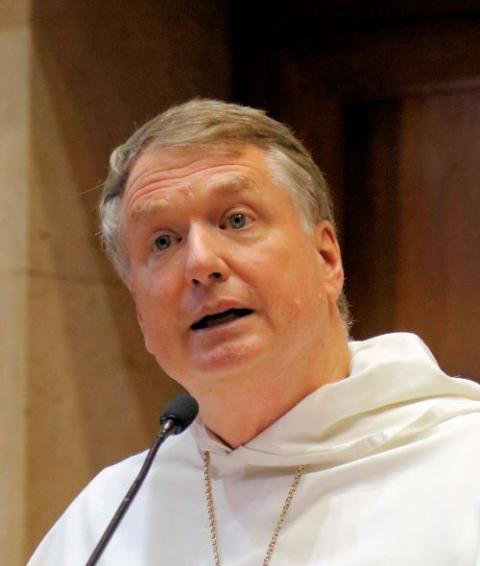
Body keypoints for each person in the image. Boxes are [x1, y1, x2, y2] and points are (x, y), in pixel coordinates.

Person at [28, 99, 480, 565]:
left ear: (327, 259)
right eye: (163, 241)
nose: (201, 263)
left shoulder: (464, 468)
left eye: (236, 220)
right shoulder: (104, 521)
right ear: (141, 313)